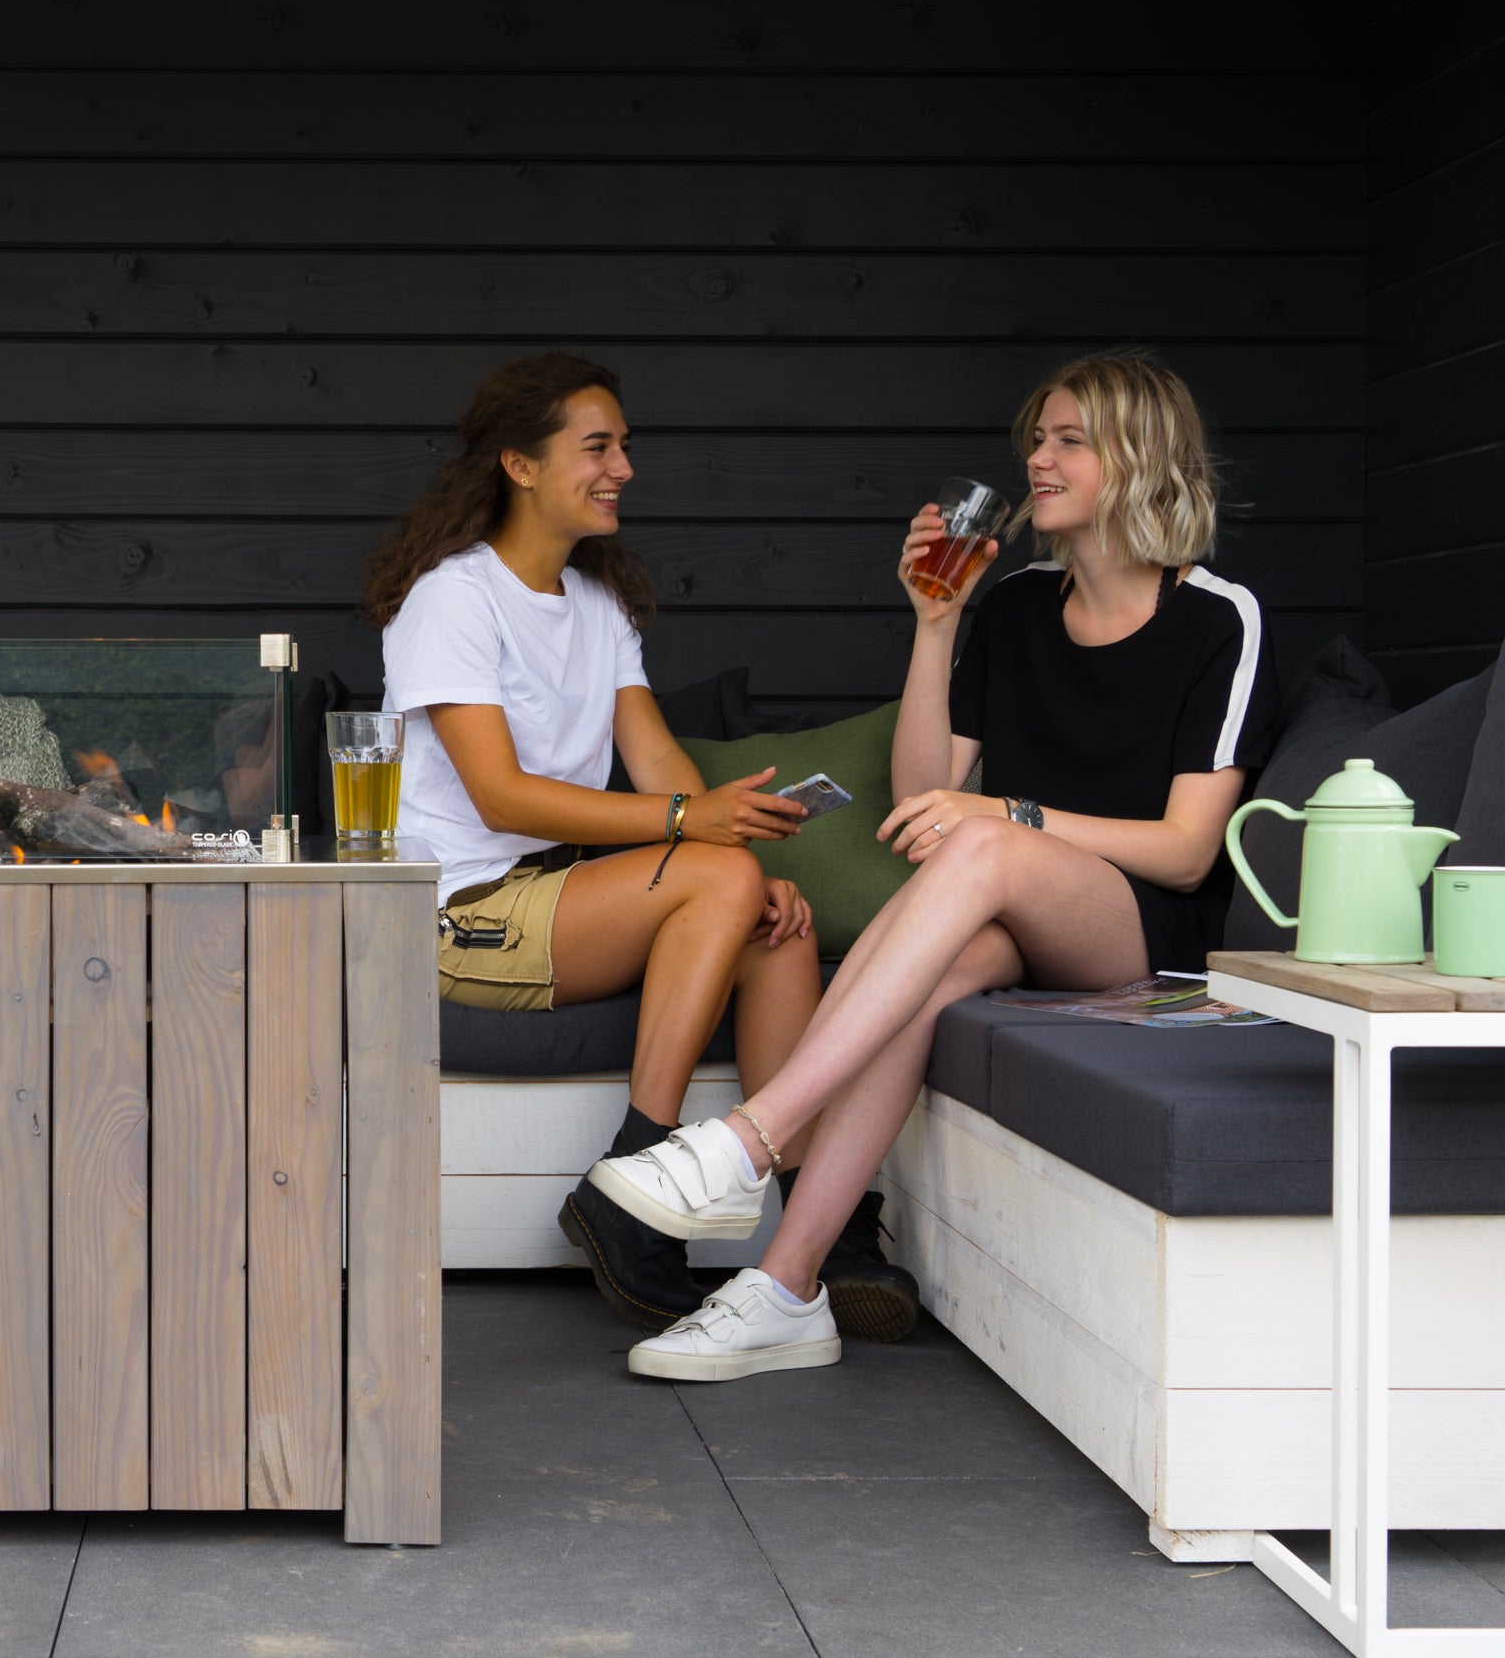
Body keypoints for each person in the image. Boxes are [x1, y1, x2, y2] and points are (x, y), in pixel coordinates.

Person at [586, 350, 1280, 1381]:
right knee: (935, 964)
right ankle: (785, 1285)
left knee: (987, 843)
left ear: (1138, 461)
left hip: (1147, 941)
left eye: (1065, 441)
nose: (1035, 460)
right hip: (1015, 911)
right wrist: (934, 622)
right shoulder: (1009, 609)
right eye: (1035, 439)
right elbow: (920, 794)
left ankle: (749, 1138)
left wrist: (1008, 813)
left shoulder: (1215, 616)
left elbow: (1184, 854)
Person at [365, 350, 842, 1334]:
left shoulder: (598, 601)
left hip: (561, 894)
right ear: (520, 464)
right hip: (459, 912)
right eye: (596, 445)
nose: (622, 465)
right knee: (716, 879)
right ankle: (631, 1184)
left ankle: (820, 1229)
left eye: (624, 445)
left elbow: (657, 758)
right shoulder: (451, 597)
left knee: (776, 927)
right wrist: (690, 830)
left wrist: (743, 856)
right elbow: (498, 793)